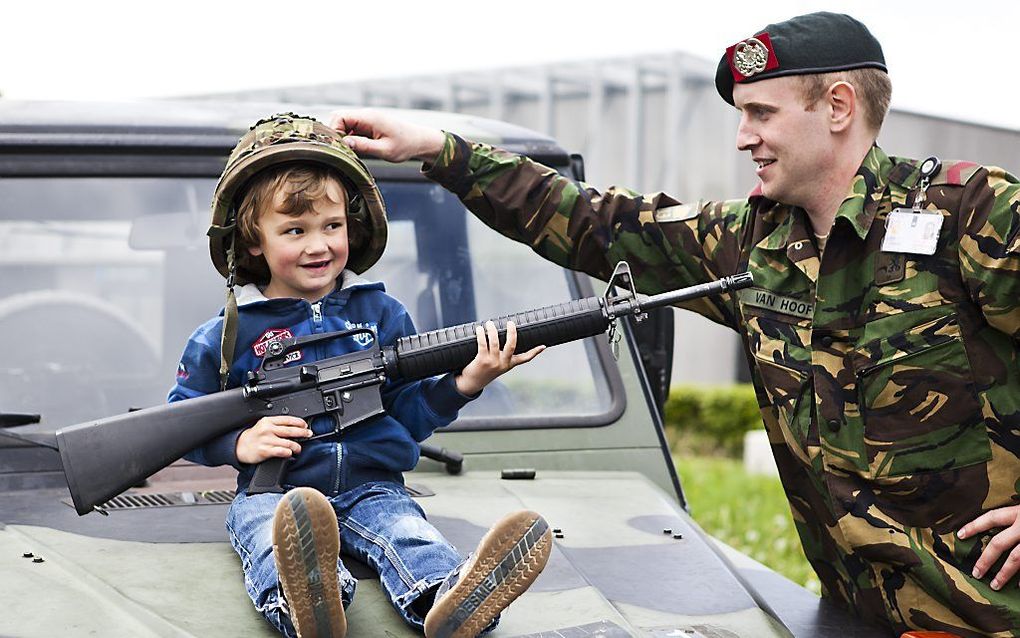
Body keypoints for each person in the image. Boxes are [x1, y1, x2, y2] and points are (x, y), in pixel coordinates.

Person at [331, 12, 1020, 637]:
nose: (744, 136)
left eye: (760, 112)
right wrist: (438, 148)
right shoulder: (754, 245)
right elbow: (594, 222)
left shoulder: (969, 214)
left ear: (837, 106)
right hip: (855, 616)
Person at [168, 113, 551, 638]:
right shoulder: (224, 337)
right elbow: (179, 423)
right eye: (294, 231)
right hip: (275, 494)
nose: (317, 245)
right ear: (254, 241)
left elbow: (408, 413)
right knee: (268, 534)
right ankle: (305, 602)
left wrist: (468, 381)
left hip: (373, 487)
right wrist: (240, 443)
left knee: (409, 534)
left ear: (353, 226)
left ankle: (452, 601)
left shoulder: (382, 316)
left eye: (332, 226)